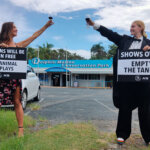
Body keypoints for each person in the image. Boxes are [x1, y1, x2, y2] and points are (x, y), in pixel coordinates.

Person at [86, 18, 150, 146]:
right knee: (125, 108)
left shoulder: (149, 43)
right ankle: (122, 134)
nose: (131, 28)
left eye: (133, 26)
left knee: (145, 110)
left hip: (143, 83)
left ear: (140, 28)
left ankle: (148, 137)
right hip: (126, 82)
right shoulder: (124, 40)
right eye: (130, 26)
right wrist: (95, 25)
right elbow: (110, 34)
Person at [0, 19, 54, 137]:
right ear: (8, 30)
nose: (17, 29)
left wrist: (45, 26)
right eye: (14, 27)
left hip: (14, 79)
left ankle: (21, 130)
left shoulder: (18, 46)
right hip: (1, 79)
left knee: (17, 102)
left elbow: (34, 36)